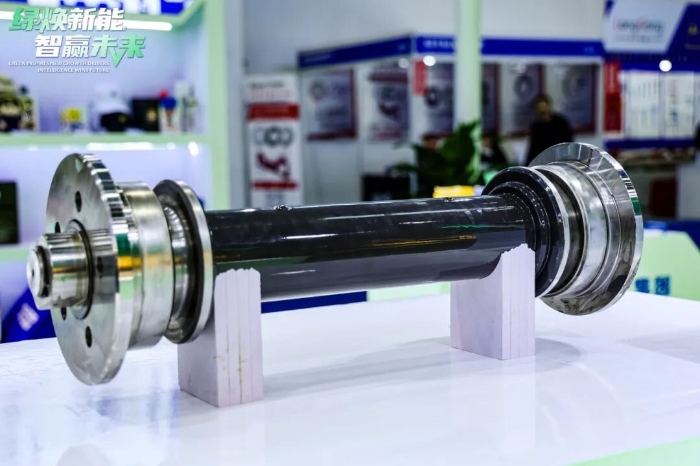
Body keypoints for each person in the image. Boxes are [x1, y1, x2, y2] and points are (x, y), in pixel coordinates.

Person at [525, 94, 574, 166]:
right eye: (540, 111)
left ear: (549, 107)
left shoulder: (561, 123)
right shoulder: (536, 127)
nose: (543, 112)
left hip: (561, 161)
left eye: (544, 109)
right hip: (543, 163)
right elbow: (533, 150)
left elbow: (569, 144)